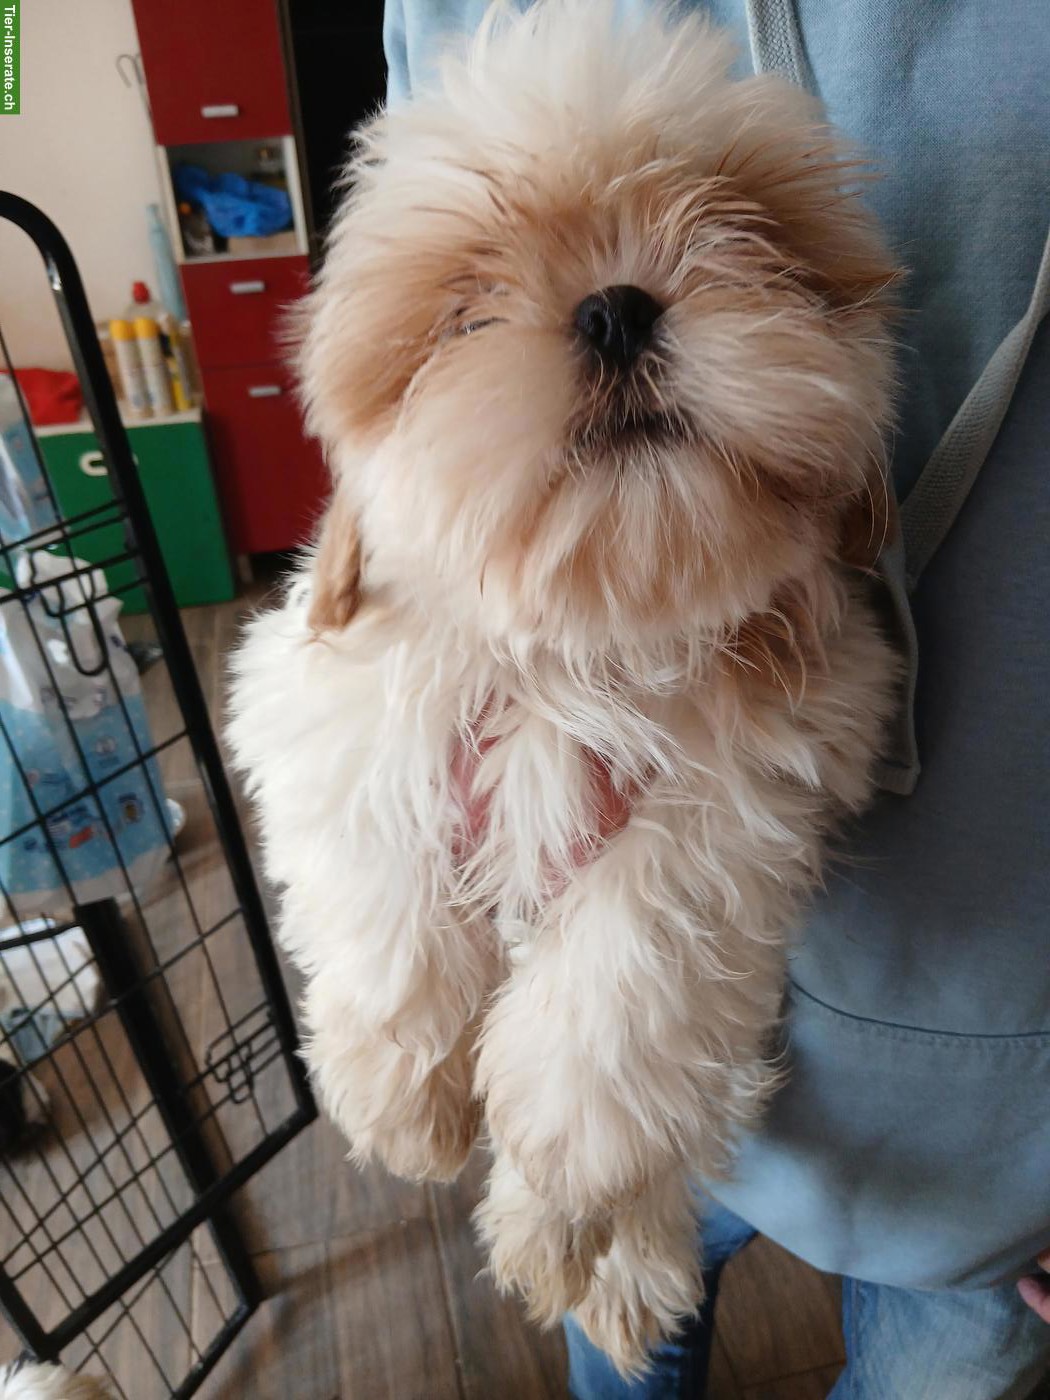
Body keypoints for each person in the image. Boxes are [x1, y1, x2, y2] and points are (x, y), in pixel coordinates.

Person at [381, 1, 1050, 1395]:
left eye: (726, 241)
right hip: (587, 1090)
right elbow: (382, 438)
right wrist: (409, 972)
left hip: (999, 1134)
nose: (613, 302)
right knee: (607, 1318)